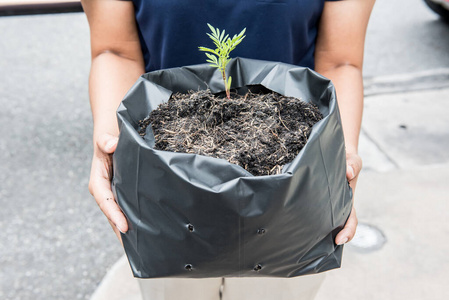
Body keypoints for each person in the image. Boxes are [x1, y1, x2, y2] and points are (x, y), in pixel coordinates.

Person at [81, 0, 375, 299]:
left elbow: (341, 61)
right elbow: (114, 50)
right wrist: (110, 142)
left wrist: (341, 157)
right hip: (166, 185)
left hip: (291, 189)